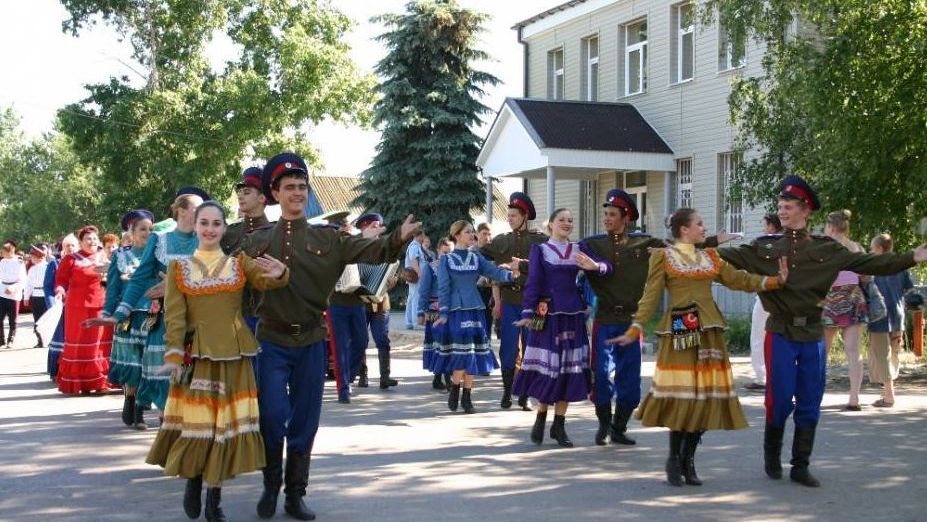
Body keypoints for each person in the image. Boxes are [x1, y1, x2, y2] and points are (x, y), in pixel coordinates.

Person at [718, 175, 927, 487]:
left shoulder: (828, 250)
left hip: (813, 333)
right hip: (780, 333)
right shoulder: (764, 248)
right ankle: (772, 455)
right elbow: (722, 256)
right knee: (778, 399)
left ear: (806, 211)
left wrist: (913, 256)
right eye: (780, 206)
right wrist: (699, 243)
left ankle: (801, 465)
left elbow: (871, 262)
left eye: (788, 207)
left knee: (810, 400)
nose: (783, 212)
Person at [242, 152, 419, 521]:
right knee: (272, 417)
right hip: (271, 341)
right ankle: (271, 483)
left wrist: (398, 238)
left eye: (302, 187)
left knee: (305, 421)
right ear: (274, 192)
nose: (297, 193)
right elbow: (226, 280)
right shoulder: (256, 241)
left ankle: (294, 495)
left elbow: (374, 249)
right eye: (289, 187)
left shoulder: (330, 238)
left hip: (310, 342)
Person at [611, 208, 786, 486]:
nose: (704, 228)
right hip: (682, 327)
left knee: (705, 396)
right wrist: (636, 327)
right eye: (699, 224)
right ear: (684, 230)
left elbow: (739, 279)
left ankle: (688, 460)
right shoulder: (664, 257)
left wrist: (773, 281)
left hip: (708, 331)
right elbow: (651, 296)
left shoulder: (710, 257)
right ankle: (673, 457)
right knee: (683, 395)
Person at [145, 201, 288, 522]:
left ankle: (215, 500)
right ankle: (194, 482)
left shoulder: (239, 264)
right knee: (201, 428)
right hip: (198, 359)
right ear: (194, 227)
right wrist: (173, 356)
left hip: (235, 359)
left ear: (224, 228)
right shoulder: (179, 270)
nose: (210, 229)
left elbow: (268, 279)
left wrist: (280, 273)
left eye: (216, 223)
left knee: (225, 430)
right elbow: (175, 318)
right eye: (204, 223)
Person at [101, 189, 207, 419]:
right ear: (180, 211)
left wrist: (177, 283)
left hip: (198, 319)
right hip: (162, 317)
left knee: (193, 377)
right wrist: (118, 313)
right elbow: (139, 279)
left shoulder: (207, 240)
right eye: (197, 209)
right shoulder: (159, 241)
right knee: (161, 375)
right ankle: (154, 417)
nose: (203, 214)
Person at [514, 208, 609, 447]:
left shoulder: (579, 249)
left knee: (569, 370)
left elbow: (604, 266)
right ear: (551, 225)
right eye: (562, 220)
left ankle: (559, 425)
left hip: (574, 314)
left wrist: (596, 267)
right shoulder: (541, 250)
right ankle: (541, 417)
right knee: (550, 370)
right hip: (549, 316)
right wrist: (527, 312)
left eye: (570, 220)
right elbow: (534, 283)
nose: (567, 223)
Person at [431, 220, 515, 414]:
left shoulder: (476, 257)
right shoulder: (446, 259)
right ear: (457, 235)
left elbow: (493, 271)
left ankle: (467, 396)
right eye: (469, 232)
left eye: (472, 232)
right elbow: (443, 287)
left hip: (476, 308)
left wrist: (511, 276)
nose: (473, 235)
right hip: (456, 310)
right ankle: (455, 388)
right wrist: (443, 313)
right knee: (462, 353)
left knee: (473, 353)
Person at [481, 192, 547, 410]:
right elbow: (479, 256)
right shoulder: (501, 241)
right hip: (509, 301)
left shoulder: (539, 241)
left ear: (524, 216)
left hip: (531, 302)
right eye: (508, 215)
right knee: (508, 349)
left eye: (513, 215)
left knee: (530, 349)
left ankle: (525, 394)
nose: (509, 218)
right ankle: (507, 392)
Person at [96, 210, 154, 428]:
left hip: (154, 316)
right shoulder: (120, 256)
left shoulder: (158, 255)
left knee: (149, 363)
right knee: (133, 365)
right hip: (128, 317)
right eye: (142, 229)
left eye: (151, 229)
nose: (147, 233)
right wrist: (108, 313)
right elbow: (112, 289)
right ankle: (130, 400)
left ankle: (139, 408)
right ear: (131, 231)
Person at [54, 226, 113, 394]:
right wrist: (60, 291)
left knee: (99, 344)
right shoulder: (71, 259)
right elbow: (60, 279)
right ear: (80, 242)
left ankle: (100, 382)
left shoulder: (105, 258)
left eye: (95, 238)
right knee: (78, 343)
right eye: (88, 239)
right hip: (77, 308)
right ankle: (77, 383)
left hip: (101, 306)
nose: (92, 241)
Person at [821, 210, 869, 410]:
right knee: (853, 352)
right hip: (853, 297)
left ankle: (814, 394)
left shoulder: (826, 246)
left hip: (832, 297)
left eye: (825, 225)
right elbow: (866, 274)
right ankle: (854, 398)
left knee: (821, 351)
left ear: (831, 227)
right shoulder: (856, 247)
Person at [328, 213, 372, 403]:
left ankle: (349, 375)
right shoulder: (328, 247)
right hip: (336, 303)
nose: (345, 229)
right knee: (340, 348)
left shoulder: (355, 246)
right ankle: (343, 388)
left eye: (346, 226)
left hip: (357, 302)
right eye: (342, 227)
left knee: (361, 341)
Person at [868, 233, 914, 408]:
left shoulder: (873, 267)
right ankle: (887, 392)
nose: (871, 251)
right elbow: (909, 290)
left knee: (881, 355)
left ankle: (889, 395)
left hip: (879, 315)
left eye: (872, 248)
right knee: (893, 353)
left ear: (879, 249)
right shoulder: (900, 266)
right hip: (898, 314)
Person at [355, 213, 401, 391]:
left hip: (381, 301)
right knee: (361, 340)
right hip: (360, 300)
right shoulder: (357, 248)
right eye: (371, 228)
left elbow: (393, 270)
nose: (376, 232)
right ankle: (363, 375)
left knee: (382, 339)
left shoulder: (386, 249)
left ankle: (385, 377)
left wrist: (392, 280)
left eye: (377, 228)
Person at [745, 214, 784, 392]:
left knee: (758, 335)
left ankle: (761, 377)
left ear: (771, 226)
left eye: (764, 225)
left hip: (766, 292)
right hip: (784, 294)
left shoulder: (765, 243)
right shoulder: (788, 242)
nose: (763, 228)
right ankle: (779, 374)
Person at [419, 237, 453, 390]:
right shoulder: (431, 267)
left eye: (450, 253)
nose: (446, 256)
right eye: (444, 253)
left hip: (451, 311)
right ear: (438, 251)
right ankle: (442, 378)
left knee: (448, 344)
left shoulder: (454, 267)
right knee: (439, 344)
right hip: (434, 313)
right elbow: (424, 291)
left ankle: (441, 378)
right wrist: (421, 311)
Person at [45, 235, 78, 377]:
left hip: (77, 307)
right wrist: (53, 305)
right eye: (67, 245)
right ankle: (56, 371)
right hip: (60, 306)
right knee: (59, 338)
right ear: (63, 248)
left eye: (73, 245)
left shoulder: (82, 263)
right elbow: (47, 287)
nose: (70, 248)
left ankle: (74, 371)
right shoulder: (55, 263)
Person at [0, 240, 27, 348]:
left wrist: (13, 287)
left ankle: (11, 339)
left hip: (14, 293)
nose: (1, 253)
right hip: (2, 291)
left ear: (10, 251)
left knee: (13, 318)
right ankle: (1, 340)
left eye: (3, 251)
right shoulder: (2, 262)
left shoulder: (19, 262)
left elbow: (23, 280)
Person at [25, 244, 49, 348]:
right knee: (37, 318)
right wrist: (26, 296)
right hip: (36, 295)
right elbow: (28, 284)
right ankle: (40, 340)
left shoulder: (48, 267)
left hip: (47, 295)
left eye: (33, 256)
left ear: (39, 256)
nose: (31, 259)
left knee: (47, 318)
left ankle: (49, 339)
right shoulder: (32, 269)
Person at [404, 230, 429, 330]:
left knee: (411, 298)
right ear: (420, 235)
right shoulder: (414, 246)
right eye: (423, 235)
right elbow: (414, 261)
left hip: (414, 276)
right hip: (416, 276)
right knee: (415, 298)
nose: (424, 237)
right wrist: (420, 274)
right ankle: (415, 323)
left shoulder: (415, 245)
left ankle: (409, 322)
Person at [476, 223, 495, 341]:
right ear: (477, 234)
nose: (487, 237)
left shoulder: (494, 254)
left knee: (487, 324)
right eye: (484, 234)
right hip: (474, 292)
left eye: (489, 234)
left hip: (490, 292)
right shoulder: (471, 252)